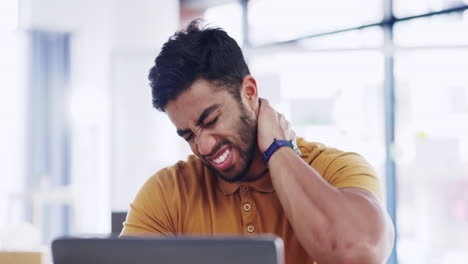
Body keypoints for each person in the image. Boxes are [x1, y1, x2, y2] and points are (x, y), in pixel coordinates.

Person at [120, 19, 394, 264]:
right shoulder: (168, 192)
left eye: (211, 120)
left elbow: (357, 253)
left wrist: (279, 150)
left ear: (249, 92)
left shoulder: (336, 170)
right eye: (188, 135)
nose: (203, 147)